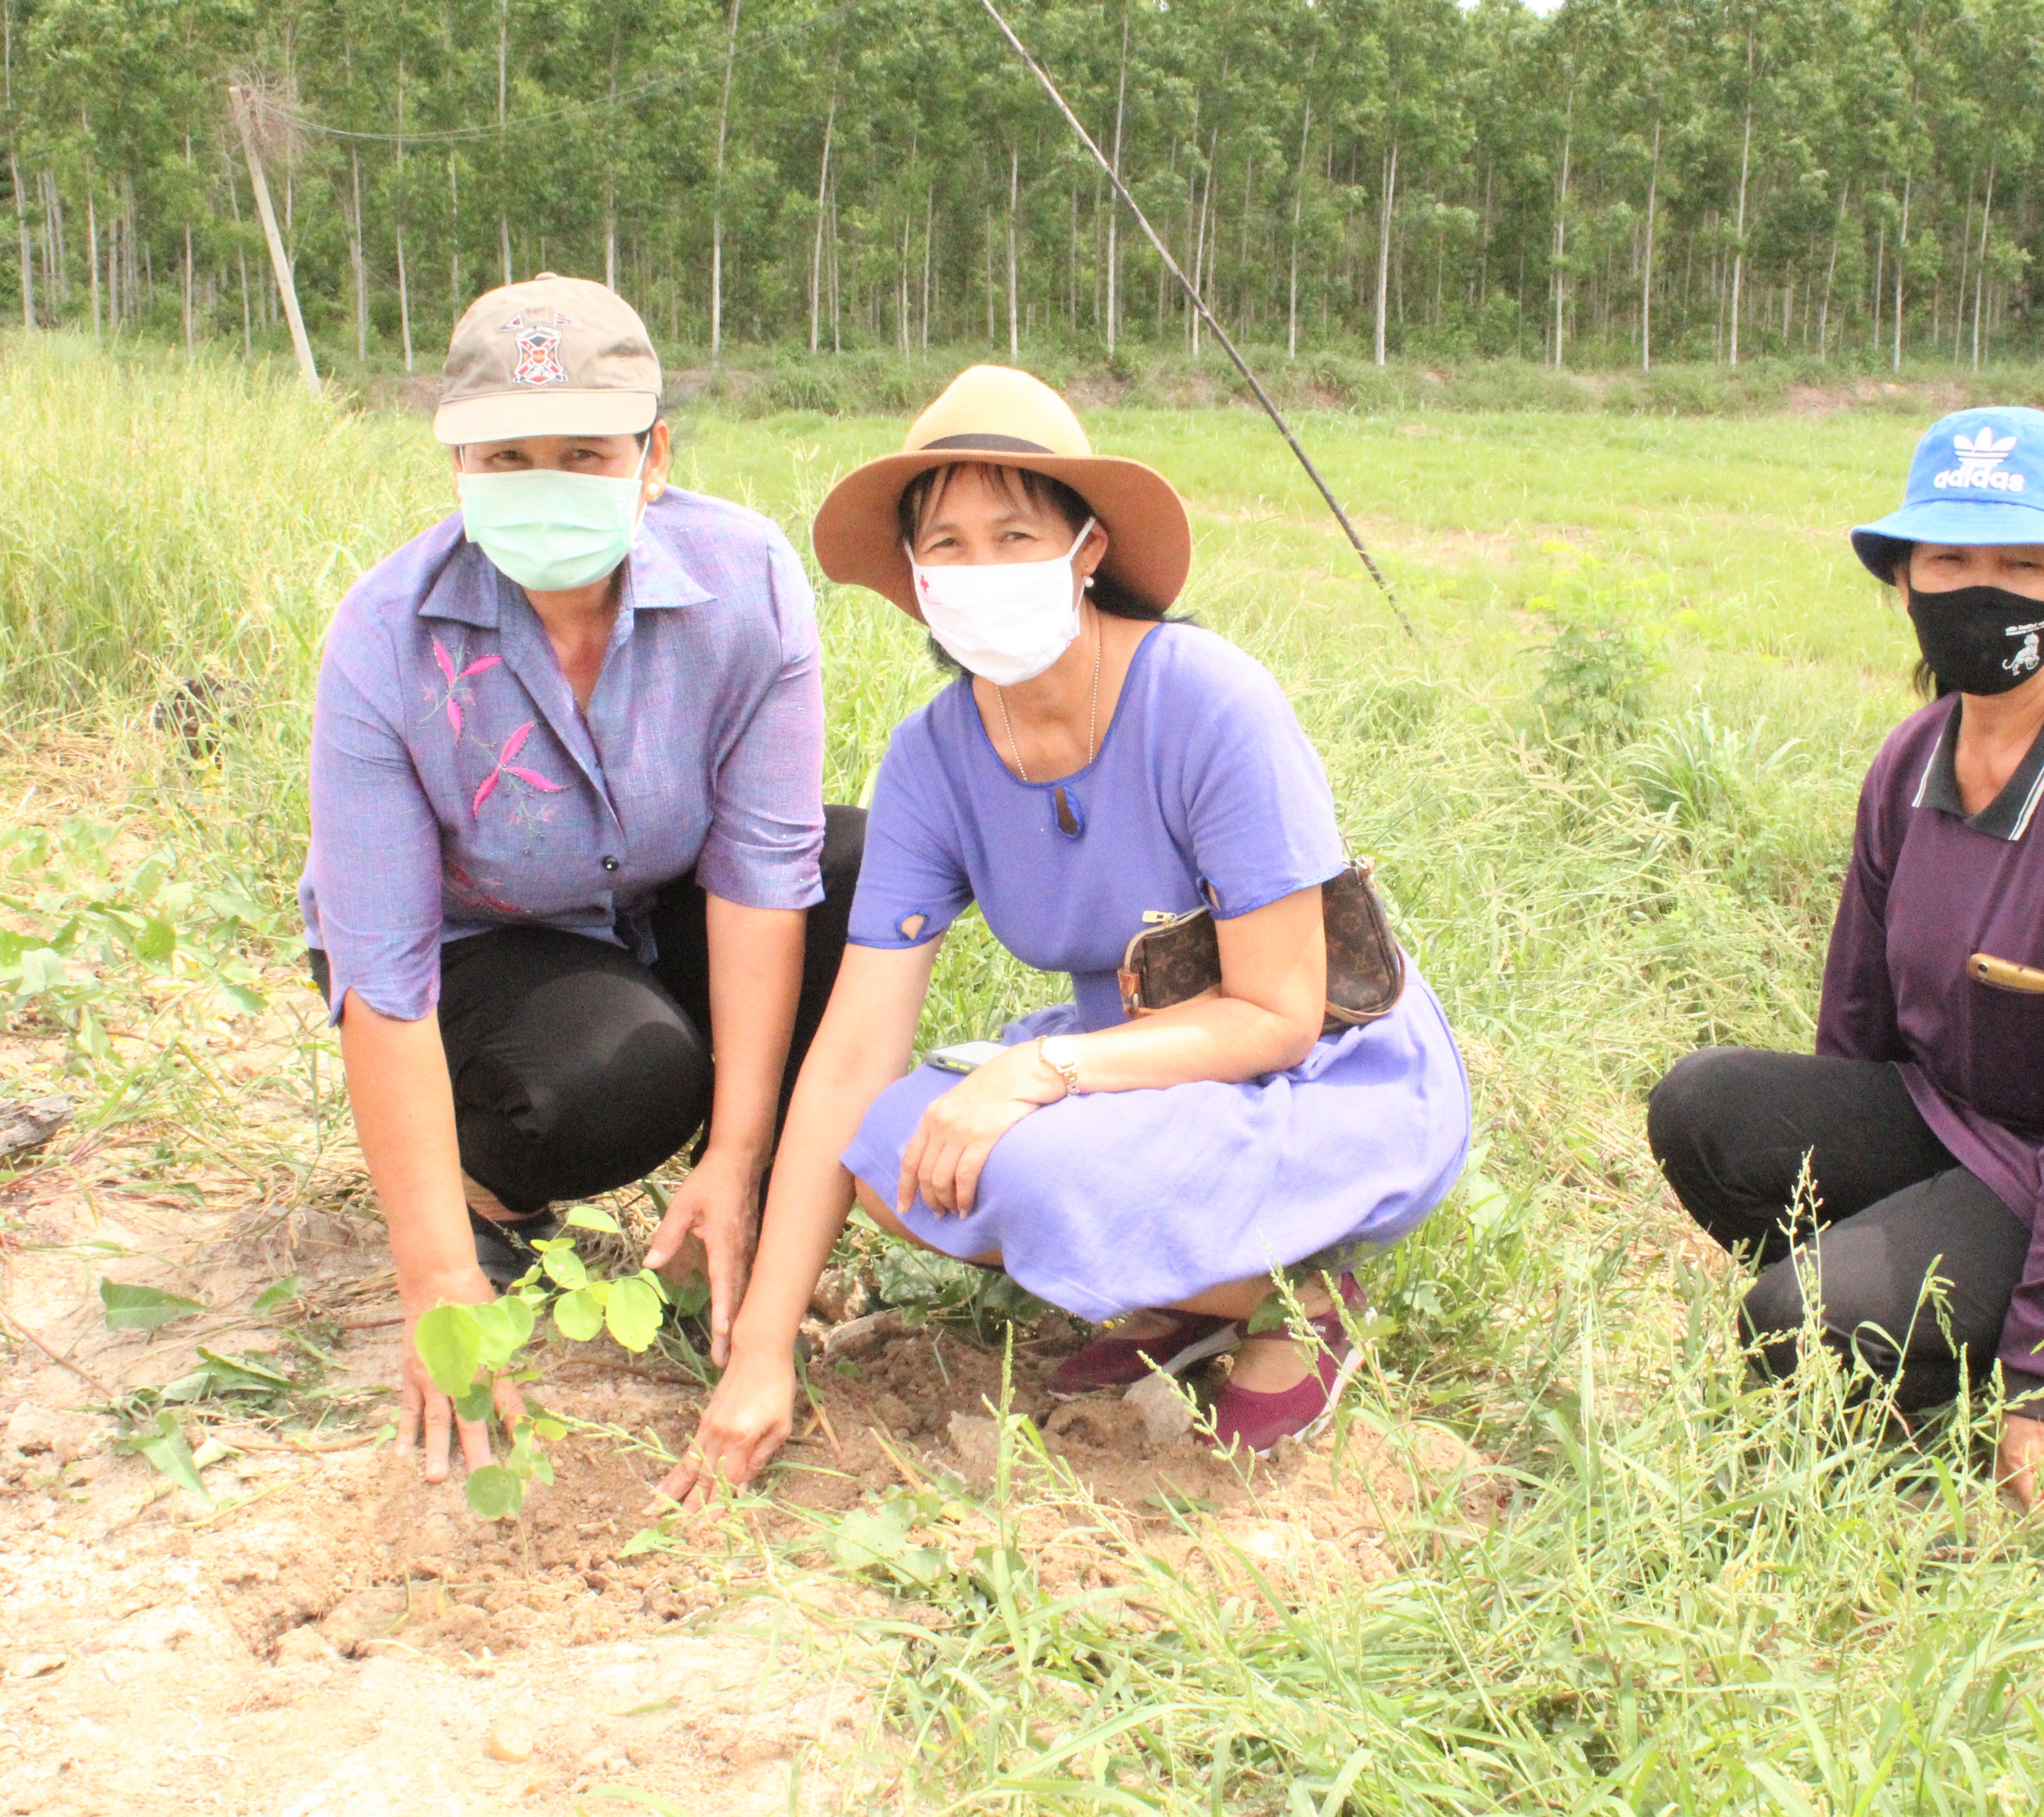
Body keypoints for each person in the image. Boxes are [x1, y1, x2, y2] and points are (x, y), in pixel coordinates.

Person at [659, 366, 1471, 1502]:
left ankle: (1304, 1299)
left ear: (1088, 549)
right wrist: (759, 1355)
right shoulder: (933, 759)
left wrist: (1042, 1070)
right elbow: (849, 1055)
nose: (979, 570)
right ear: (913, 575)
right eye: (946, 544)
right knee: (895, 1155)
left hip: (1323, 1073)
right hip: (1134, 1066)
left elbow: (1280, 1015)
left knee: (1027, 1171)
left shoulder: (1210, 703)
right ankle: (1199, 1290)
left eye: (1014, 534)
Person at [1646, 406, 2044, 1536]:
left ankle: (1992, 1382)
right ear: (1902, 577)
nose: (1980, 591)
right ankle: (1916, 1368)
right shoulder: (1915, 757)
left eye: (2022, 565)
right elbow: (1859, 1014)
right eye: (1949, 559)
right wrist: (1863, 1213)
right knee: (1704, 1110)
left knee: (1796, 1320)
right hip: (1977, 1122)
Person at [301, 275, 860, 1485]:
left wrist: (739, 1154)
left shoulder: (745, 583)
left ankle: (744, 1206)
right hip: (475, 950)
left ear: (652, 459)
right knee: (624, 1073)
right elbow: (383, 977)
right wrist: (437, 1284)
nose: (543, 482)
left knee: (851, 864)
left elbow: (766, 872)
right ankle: (488, 1195)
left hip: (650, 905)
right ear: (455, 465)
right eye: (506, 456)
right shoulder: (387, 640)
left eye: (583, 452)